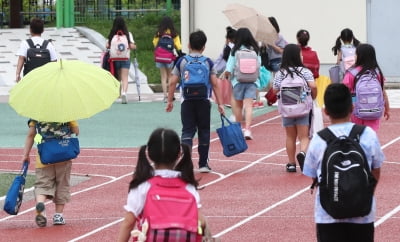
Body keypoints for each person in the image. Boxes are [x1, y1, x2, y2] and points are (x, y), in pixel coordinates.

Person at [303, 83, 384, 242]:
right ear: (352, 107)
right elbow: (376, 169)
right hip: (362, 213)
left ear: (326, 111)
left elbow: (312, 174)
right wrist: (367, 192)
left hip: (328, 214)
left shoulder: (319, 139)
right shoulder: (367, 134)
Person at [117, 128, 209, 241]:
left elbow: (128, 222)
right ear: (179, 153)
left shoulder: (143, 186)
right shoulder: (188, 186)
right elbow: (201, 221)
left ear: (149, 153)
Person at [166, 30, 224, 173]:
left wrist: (170, 100)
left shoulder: (182, 61)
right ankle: (203, 164)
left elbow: (172, 82)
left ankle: (186, 163)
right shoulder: (208, 62)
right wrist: (220, 103)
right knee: (204, 130)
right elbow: (215, 83)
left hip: (187, 101)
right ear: (204, 47)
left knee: (187, 130)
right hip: (204, 100)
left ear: (188, 45)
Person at [22, 120, 79, 227]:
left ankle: (40, 204)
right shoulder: (67, 111)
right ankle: (58, 215)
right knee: (62, 184)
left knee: (42, 184)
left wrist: (26, 154)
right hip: (64, 155)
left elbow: (31, 135)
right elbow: (76, 131)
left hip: (44, 156)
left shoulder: (36, 113)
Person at [272, 44, 317, 172]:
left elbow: (274, 90)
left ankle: (291, 164)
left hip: (287, 108)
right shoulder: (305, 72)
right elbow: (313, 86)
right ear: (298, 57)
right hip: (303, 107)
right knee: (304, 136)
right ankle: (302, 153)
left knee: (290, 136)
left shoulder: (280, 73)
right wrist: (313, 96)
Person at [342, 43, 390, 131]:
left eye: (355, 54)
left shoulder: (351, 73)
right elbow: (383, 92)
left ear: (359, 56)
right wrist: (387, 108)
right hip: (374, 110)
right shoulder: (377, 72)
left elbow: (344, 92)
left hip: (356, 109)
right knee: (371, 135)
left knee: (356, 135)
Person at [224, 28, 261, 140]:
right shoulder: (255, 50)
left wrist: (226, 75)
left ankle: (239, 129)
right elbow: (259, 65)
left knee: (238, 106)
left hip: (238, 81)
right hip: (252, 81)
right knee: (249, 106)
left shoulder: (235, 50)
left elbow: (229, 68)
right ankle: (248, 130)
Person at [15, 18, 57, 82]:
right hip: (45, 77)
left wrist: (18, 74)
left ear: (30, 30)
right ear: (43, 30)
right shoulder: (49, 44)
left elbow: (21, 58)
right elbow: (54, 61)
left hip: (29, 77)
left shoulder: (25, 43)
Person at [106, 16, 136, 104]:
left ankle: (118, 94)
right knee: (125, 77)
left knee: (118, 77)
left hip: (114, 59)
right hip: (125, 58)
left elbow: (107, 46)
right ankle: (124, 93)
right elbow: (132, 46)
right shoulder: (127, 34)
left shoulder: (112, 34)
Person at [153, 16, 183, 102]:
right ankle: (171, 95)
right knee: (170, 75)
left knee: (163, 76)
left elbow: (155, 44)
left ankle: (165, 96)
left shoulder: (159, 33)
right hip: (170, 57)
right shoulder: (174, 34)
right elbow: (178, 46)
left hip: (159, 57)